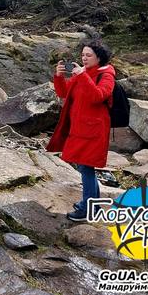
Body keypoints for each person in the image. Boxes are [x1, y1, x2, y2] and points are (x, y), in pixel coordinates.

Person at [46, 40, 116, 221]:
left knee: (86, 167)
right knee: (86, 166)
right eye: (83, 55)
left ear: (99, 58)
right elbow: (64, 93)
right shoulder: (82, 74)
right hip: (79, 127)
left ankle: (88, 208)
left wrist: (83, 76)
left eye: (88, 55)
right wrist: (59, 77)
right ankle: (94, 205)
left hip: (94, 129)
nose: (84, 58)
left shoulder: (106, 75)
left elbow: (98, 96)